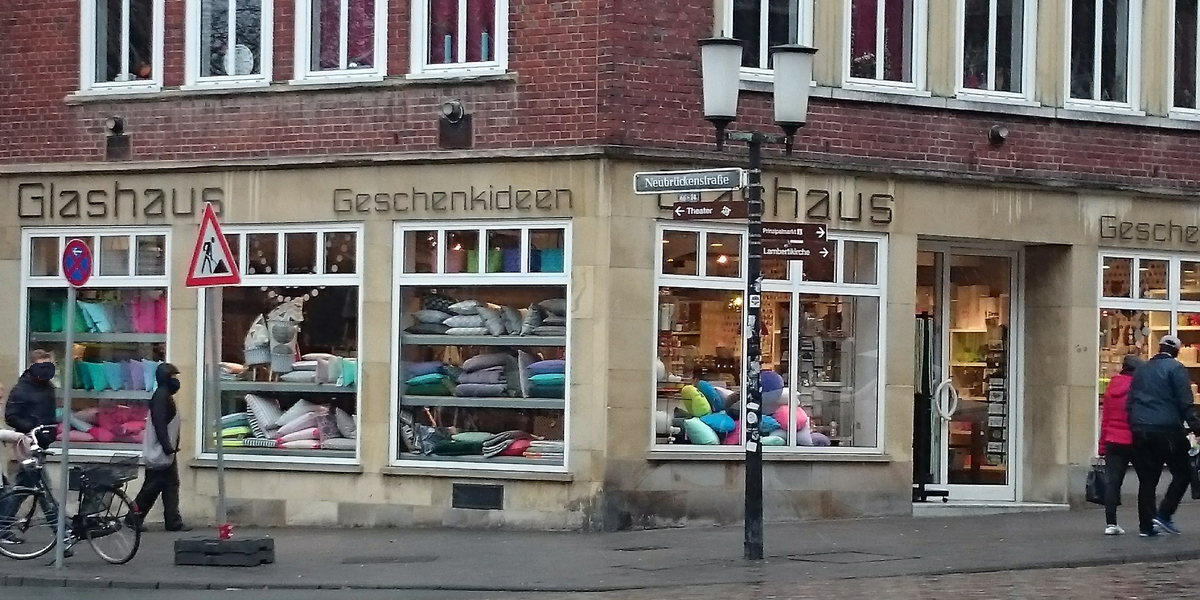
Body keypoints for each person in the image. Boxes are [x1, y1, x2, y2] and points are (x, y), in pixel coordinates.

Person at [1127, 335, 1200, 537]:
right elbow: (1185, 402)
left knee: (1147, 479)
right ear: (1176, 351)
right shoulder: (1176, 369)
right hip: (1167, 429)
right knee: (1184, 472)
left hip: (1141, 428)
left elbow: (1130, 401)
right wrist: (1196, 427)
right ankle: (1164, 513)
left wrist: (1135, 422)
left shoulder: (1141, 369)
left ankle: (1146, 525)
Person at [0, 350, 59, 545]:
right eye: (41, 366)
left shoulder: (48, 387)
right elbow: (11, 416)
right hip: (28, 445)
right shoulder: (22, 389)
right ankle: (61, 531)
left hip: (42, 444)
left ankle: (2, 526)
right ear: (31, 367)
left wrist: (51, 431)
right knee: (44, 490)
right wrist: (32, 429)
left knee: (23, 488)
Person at [131, 363, 190, 532]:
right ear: (165, 378)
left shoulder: (163, 396)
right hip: (161, 452)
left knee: (169, 485)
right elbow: (159, 424)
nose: (176, 381)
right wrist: (167, 446)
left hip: (164, 453)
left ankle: (173, 521)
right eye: (173, 377)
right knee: (152, 488)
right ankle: (133, 518)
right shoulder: (161, 397)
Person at [1098, 354, 1143, 535]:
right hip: (1134, 440)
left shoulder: (1112, 387)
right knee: (1147, 481)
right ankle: (1147, 522)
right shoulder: (1138, 387)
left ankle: (1111, 523)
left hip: (1113, 440)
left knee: (1113, 483)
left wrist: (1102, 445)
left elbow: (1106, 419)